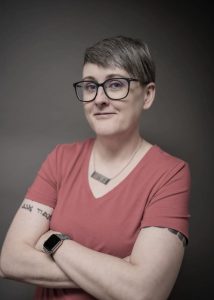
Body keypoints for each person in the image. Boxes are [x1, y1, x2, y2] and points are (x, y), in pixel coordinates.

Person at [0, 36, 191, 300]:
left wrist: (55, 243)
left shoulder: (170, 173)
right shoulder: (61, 158)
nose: (99, 99)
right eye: (90, 86)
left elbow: (145, 293)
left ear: (147, 95)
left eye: (115, 84)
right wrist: (118, 275)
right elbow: (10, 260)